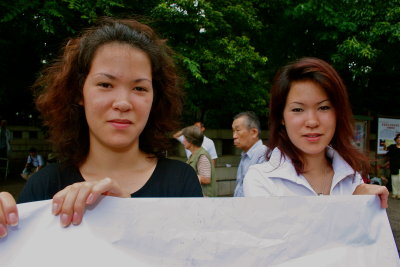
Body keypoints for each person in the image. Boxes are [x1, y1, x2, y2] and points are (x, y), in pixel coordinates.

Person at [0, 17, 203, 238]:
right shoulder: (44, 186)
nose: (123, 102)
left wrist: (130, 216)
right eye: (105, 85)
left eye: (139, 88)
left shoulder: (181, 181)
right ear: (79, 93)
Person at [243, 57, 388, 208]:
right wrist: (352, 207)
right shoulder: (262, 180)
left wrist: (365, 202)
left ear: (337, 113)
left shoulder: (351, 176)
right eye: (297, 109)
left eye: (324, 107)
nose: (312, 122)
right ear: (281, 117)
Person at [232, 111, 267, 197]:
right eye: (233, 131)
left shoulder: (264, 155)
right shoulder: (245, 155)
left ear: (254, 132)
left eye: (238, 130)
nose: (234, 136)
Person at [182, 125, 217, 197]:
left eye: (185, 139)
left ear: (191, 141)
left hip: (204, 200)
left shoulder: (202, 156)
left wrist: (187, 178)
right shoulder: (194, 154)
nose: (183, 141)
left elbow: (206, 179)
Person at [385, 133, 400, 199]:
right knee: (394, 180)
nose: (399, 140)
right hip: (394, 166)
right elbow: (386, 150)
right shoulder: (392, 147)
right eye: (398, 139)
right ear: (395, 140)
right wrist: (385, 146)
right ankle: (394, 193)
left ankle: (399, 194)